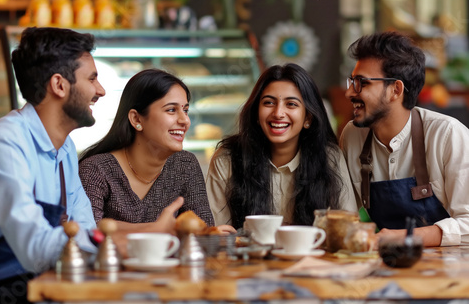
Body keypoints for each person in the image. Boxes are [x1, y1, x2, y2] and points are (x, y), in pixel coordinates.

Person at [0, 27, 107, 304]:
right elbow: (35, 248)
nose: (100, 90)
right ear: (59, 85)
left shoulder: (65, 147)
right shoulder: (3, 145)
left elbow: (84, 226)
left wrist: (108, 243)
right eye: (92, 78)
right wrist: (114, 244)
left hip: (34, 287)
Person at [340, 31, 469, 247]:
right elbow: (345, 215)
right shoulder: (353, 136)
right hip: (389, 264)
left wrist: (405, 237)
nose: (349, 93)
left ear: (396, 90)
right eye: (351, 81)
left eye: (362, 83)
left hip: (451, 271)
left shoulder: (447, 135)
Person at [206, 63, 358, 228]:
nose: (278, 113)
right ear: (257, 114)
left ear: (308, 118)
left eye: (291, 104)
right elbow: (219, 235)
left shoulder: (329, 157)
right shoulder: (227, 159)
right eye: (269, 103)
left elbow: (348, 227)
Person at [79, 69, 227, 231]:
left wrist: (212, 235)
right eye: (171, 110)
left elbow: (201, 229)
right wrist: (160, 228)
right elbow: (87, 232)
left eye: (185, 110)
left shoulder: (185, 164)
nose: (185, 120)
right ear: (136, 119)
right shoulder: (96, 170)